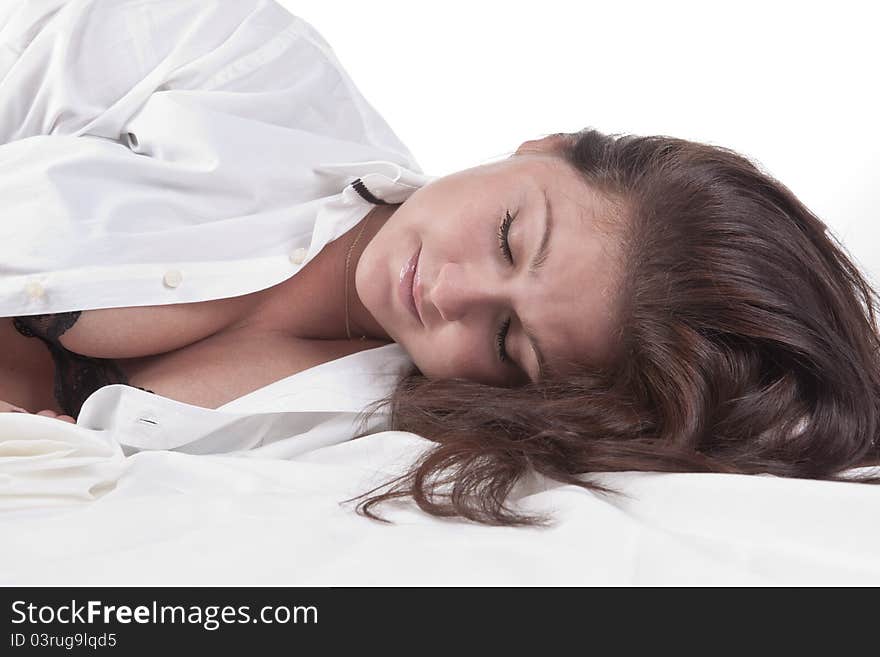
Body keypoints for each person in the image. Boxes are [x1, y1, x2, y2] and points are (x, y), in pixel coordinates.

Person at [3, 1, 880, 527]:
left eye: (508, 341)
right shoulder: (240, 64)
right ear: (546, 144)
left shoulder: (371, 447)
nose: (450, 292)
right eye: (508, 236)